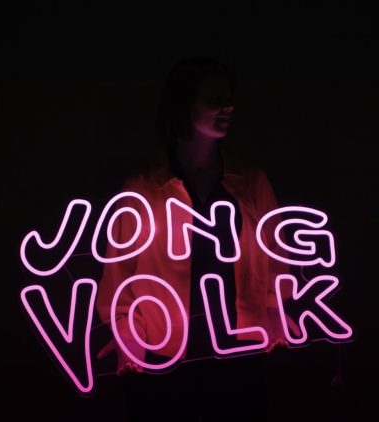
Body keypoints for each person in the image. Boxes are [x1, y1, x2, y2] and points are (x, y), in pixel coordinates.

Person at [96, 56, 298, 421]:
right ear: (183, 106)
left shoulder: (251, 180)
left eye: (230, 97)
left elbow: (277, 258)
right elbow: (119, 282)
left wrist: (273, 312)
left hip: (239, 352)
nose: (229, 106)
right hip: (161, 357)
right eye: (215, 98)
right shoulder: (143, 188)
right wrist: (129, 339)